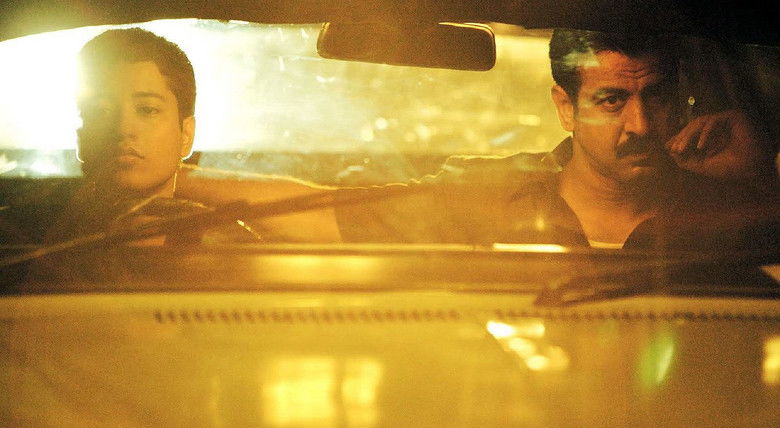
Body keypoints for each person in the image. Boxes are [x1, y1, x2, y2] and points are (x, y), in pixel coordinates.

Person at [181, 29, 777, 250]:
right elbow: (323, 216)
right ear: (564, 108)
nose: (641, 125)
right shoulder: (488, 194)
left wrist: (764, 172)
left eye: (657, 97)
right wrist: (176, 179)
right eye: (611, 100)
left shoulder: (728, 201)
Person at [49, 28, 263, 244]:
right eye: (99, 111)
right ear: (81, 137)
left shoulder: (232, 252)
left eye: (147, 109)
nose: (123, 128)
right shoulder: (44, 245)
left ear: (186, 134)